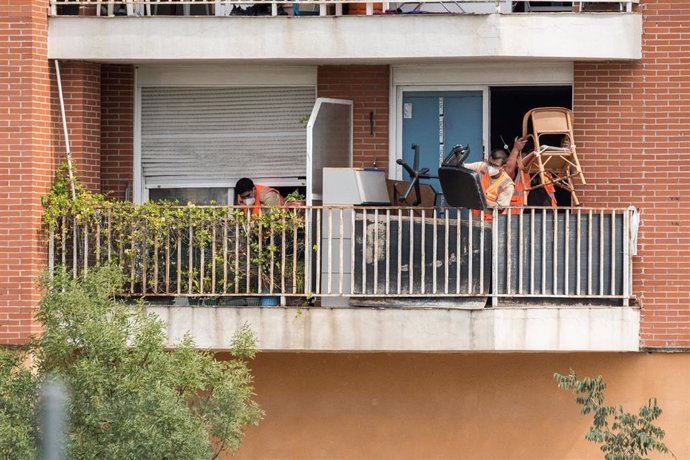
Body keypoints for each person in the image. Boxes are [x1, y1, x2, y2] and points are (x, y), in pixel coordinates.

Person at [464, 148, 514, 220]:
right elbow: (462, 167)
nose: (490, 167)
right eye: (490, 163)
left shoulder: (507, 185)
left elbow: (500, 209)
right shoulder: (482, 167)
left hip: (493, 224)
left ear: (503, 167)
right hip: (475, 222)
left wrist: (479, 198)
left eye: (495, 165)